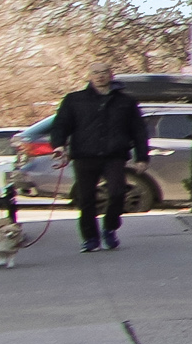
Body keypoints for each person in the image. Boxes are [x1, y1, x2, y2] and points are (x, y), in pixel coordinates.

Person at [44, 72, 148, 253]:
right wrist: (59, 145)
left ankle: (110, 228)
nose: (99, 76)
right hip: (84, 155)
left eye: (103, 73)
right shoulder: (75, 99)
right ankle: (90, 238)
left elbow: (139, 131)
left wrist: (142, 157)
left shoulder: (126, 101)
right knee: (86, 198)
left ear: (110, 76)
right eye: (95, 73)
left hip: (114, 155)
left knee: (117, 193)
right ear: (90, 76)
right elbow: (60, 125)